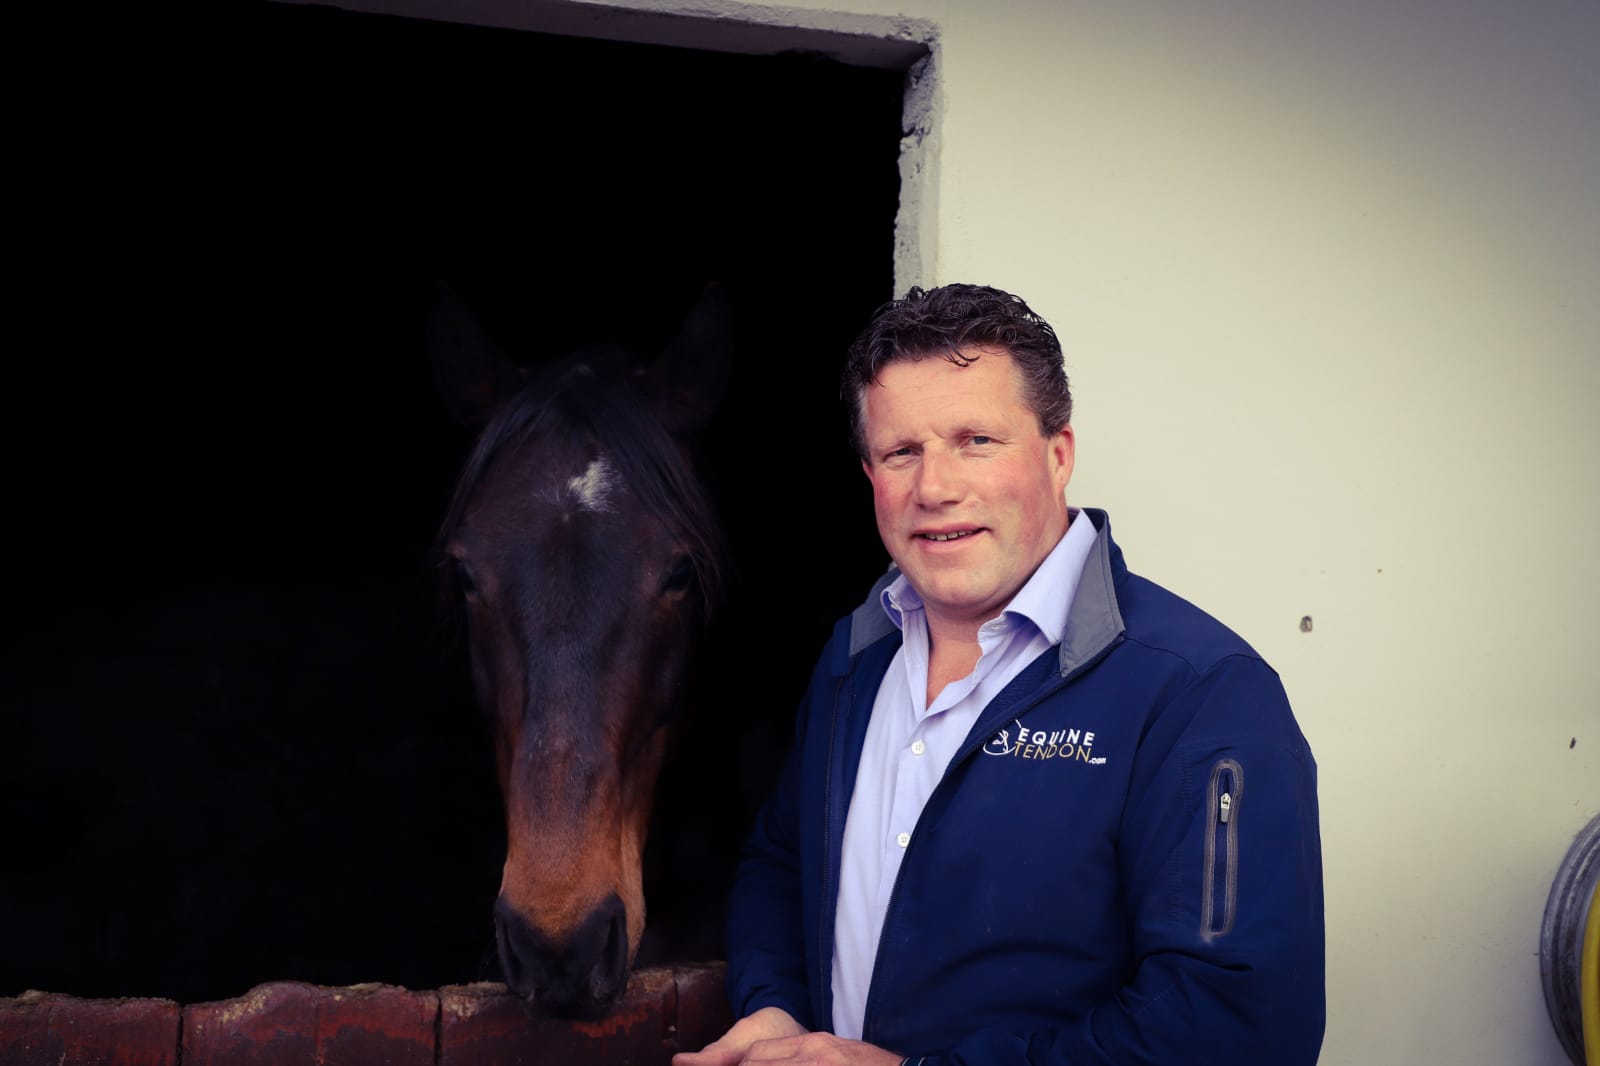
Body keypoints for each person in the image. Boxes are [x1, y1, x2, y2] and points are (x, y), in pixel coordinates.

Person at [675, 283, 1325, 1066]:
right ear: (870, 473)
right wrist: (775, 1008)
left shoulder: (1199, 693)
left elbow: (1237, 1029)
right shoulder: (855, 657)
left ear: (1059, 455)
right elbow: (783, 866)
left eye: (976, 440)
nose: (935, 488)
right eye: (902, 452)